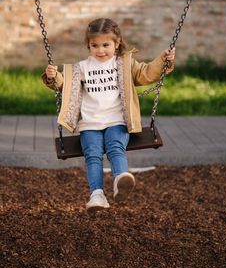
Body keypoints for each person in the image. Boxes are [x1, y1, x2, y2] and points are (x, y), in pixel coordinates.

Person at [42, 18, 175, 213]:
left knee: (115, 148)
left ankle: (120, 178)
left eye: (106, 45)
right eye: (94, 45)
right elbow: (65, 85)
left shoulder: (124, 64)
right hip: (89, 124)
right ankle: (97, 195)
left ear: (117, 42)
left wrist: (162, 61)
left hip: (117, 121)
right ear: (88, 45)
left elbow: (147, 73)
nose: (100, 50)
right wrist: (53, 76)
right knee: (93, 155)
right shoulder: (81, 68)